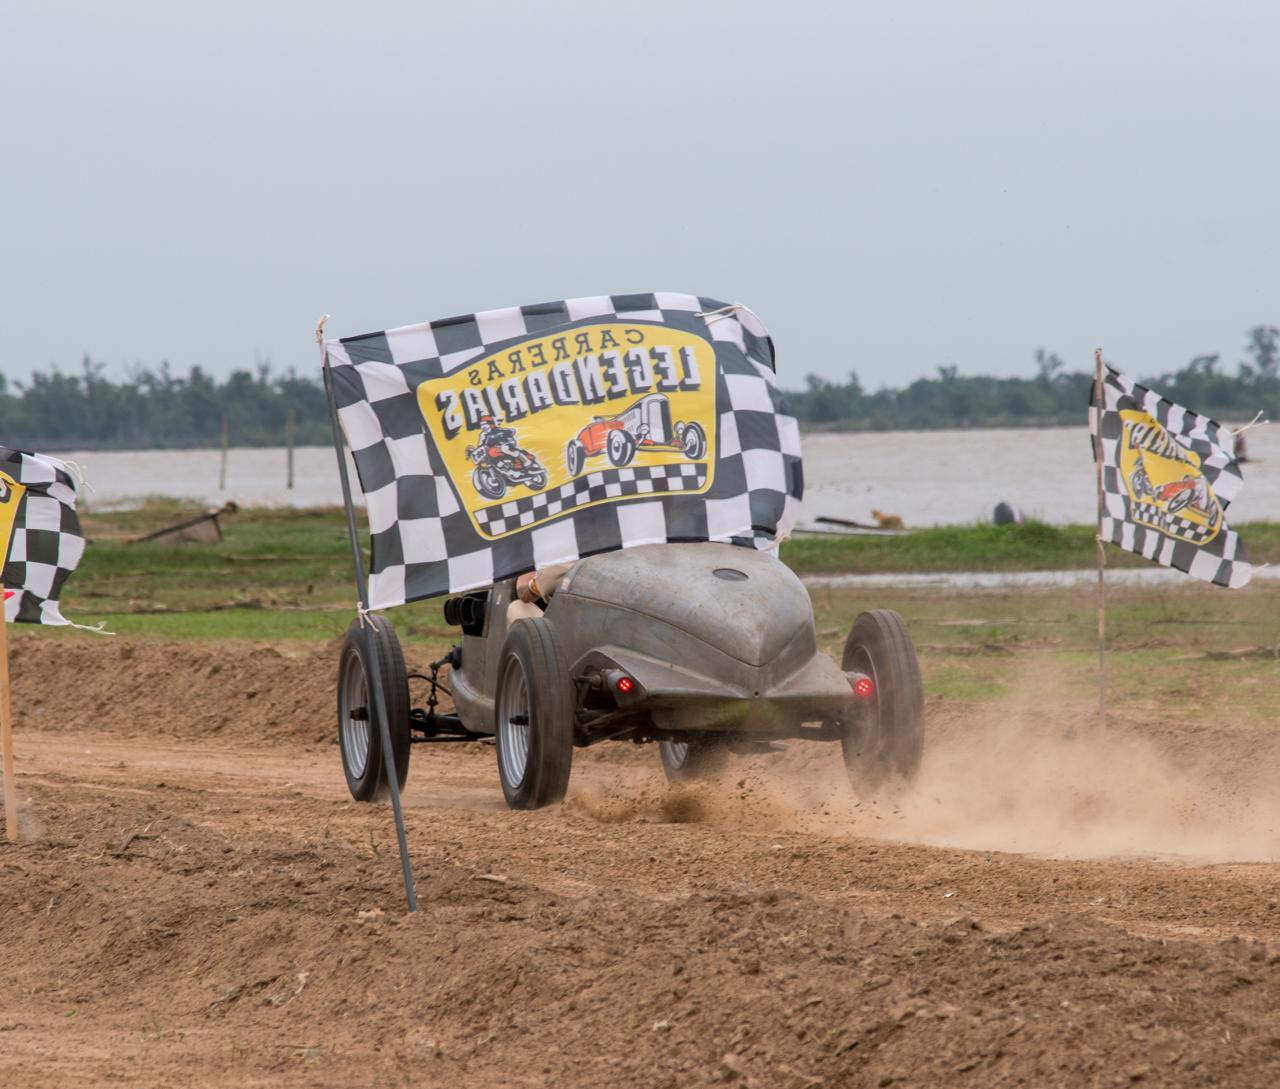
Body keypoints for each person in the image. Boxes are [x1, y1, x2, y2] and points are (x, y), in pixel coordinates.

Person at [507, 562, 573, 625]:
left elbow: (525, 594)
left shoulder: (560, 562)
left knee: (517, 606)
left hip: (569, 631)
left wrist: (531, 570)